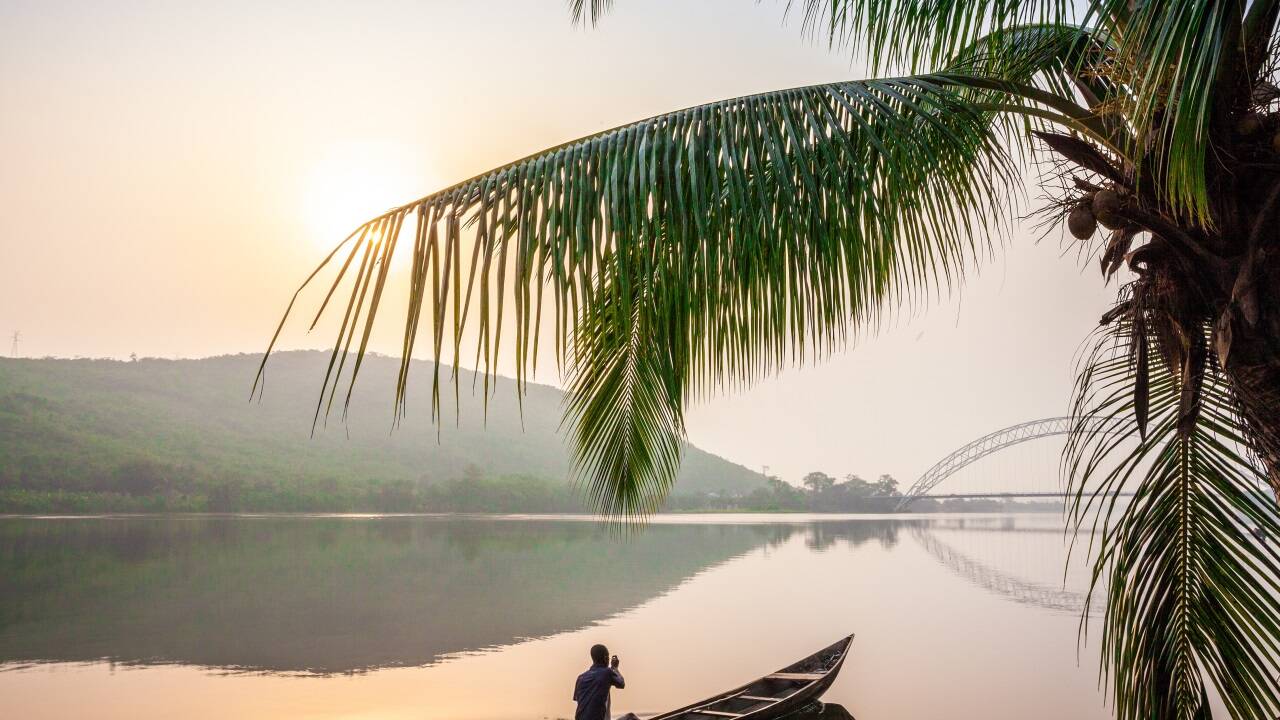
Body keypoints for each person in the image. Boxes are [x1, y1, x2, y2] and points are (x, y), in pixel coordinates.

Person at [572, 643, 625, 720]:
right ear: (605, 658)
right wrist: (615, 668)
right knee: (631, 716)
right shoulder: (607, 672)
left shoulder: (580, 678)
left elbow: (579, 700)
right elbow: (621, 684)